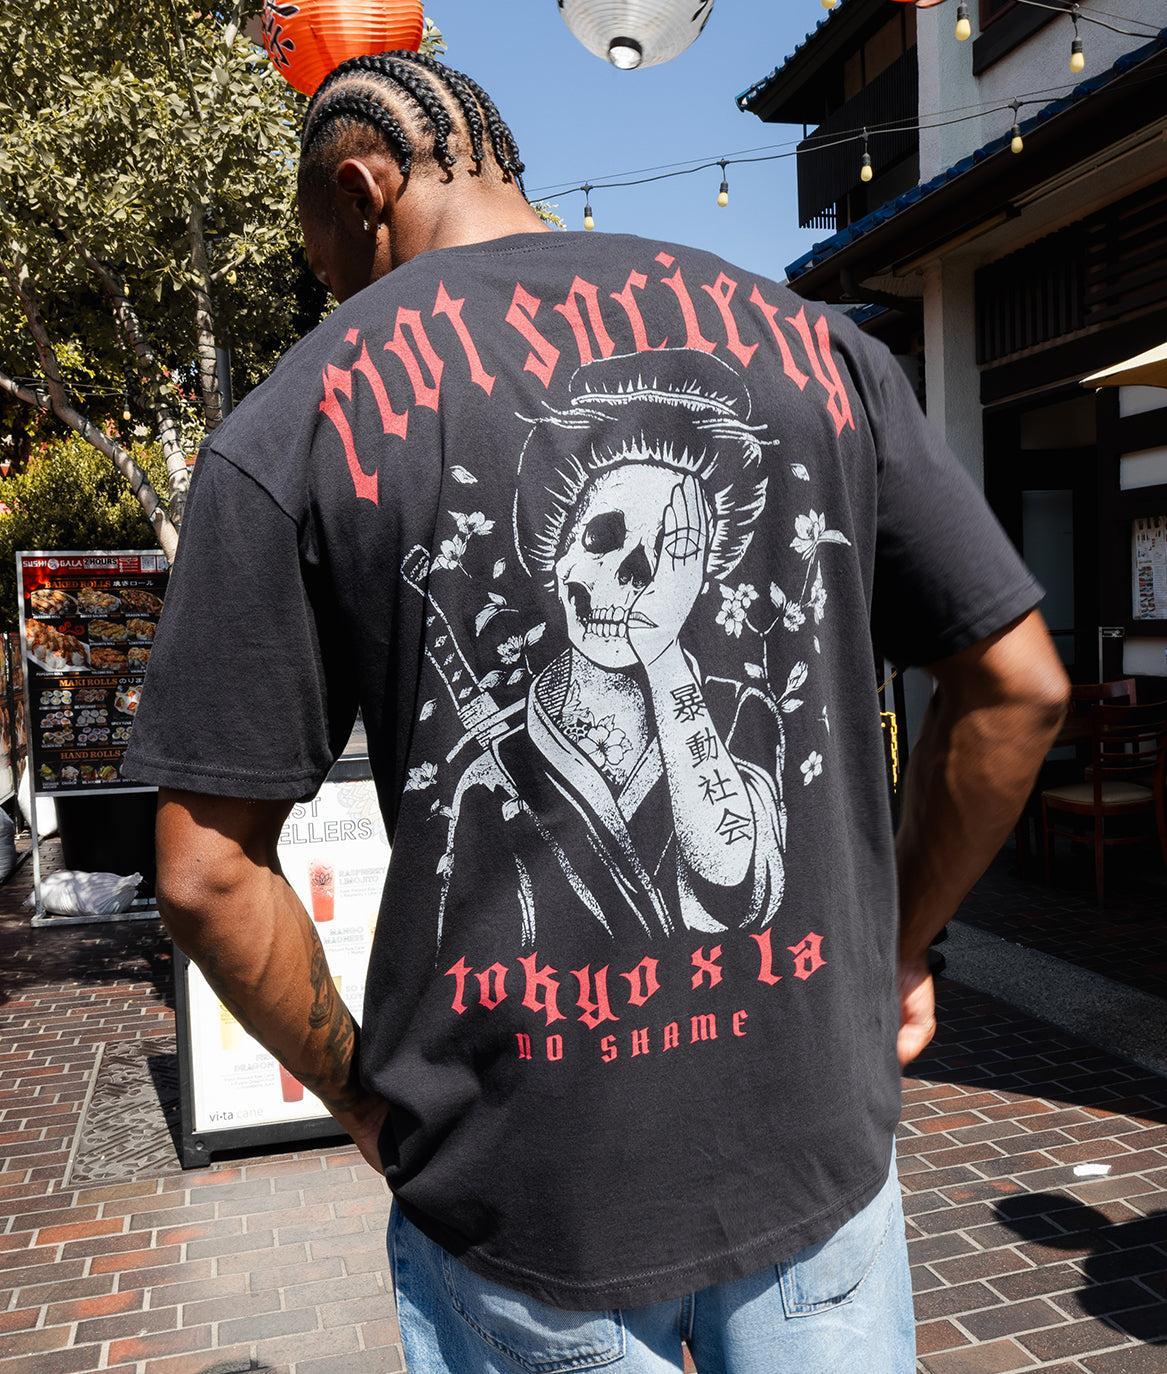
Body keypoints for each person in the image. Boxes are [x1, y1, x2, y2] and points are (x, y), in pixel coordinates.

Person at [123, 51, 1070, 1374]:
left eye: (325, 264)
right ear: (558, 556)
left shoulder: (299, 418)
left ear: (361, 190)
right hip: (814, 1167)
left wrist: (360, 1098)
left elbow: (204, 871)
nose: (333, 298)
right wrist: (896, 952)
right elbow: (1022, 684)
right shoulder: (820, 350)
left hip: (519, 1209)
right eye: (606, 546)